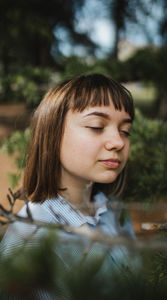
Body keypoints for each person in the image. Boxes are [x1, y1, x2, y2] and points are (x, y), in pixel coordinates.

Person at [0, 73, 140, 298]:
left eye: (125, 131)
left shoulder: (114, 210)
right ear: (52, 135)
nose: (118, 142)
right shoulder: (30, 237)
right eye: (96, 126)